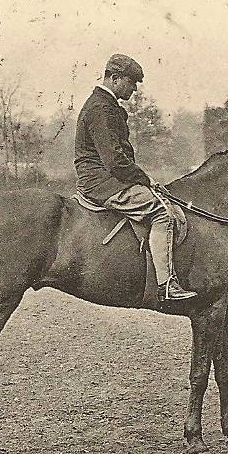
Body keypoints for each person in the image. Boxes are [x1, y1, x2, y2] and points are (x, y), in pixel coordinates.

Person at [74, 53, 196, 301]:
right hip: (103, 182)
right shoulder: (100, 108)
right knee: (163, 212)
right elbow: (114, 160)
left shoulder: (104, 106)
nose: (134, 89)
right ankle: (166, 284)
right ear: (115, 78)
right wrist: (144, 180)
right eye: (131, 83)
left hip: (106, 178)